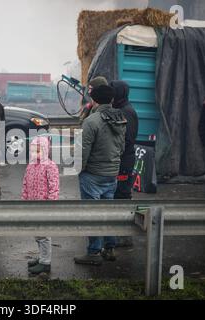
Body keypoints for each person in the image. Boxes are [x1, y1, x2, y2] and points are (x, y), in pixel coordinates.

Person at [74, 84, 126, 265]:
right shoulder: (121, 117)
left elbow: (84, 151)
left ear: (94, 100)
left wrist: (78, 169)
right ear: (111, 99)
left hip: (93, 174)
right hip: (112, 173)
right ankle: (110, 248)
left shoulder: (91, 121)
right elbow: (122, 148)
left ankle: (93, 252)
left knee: (92, 214)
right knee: (107, 211)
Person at [22, 136, 60, 275]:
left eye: (37, 151)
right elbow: (25, 185)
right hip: (32, 207)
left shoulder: (50, 166)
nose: (34, 154)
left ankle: (45, 263)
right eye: (32, 151)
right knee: (37, 234)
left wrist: (50, 206)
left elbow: (54, 188)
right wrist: (24, 201)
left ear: (45, 150)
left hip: (44, 207)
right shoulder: (30, 165)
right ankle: (42, 257)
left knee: (44, 235)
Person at [110, 80, 139, 248]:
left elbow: (126, 139)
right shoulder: (121, 109)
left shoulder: (126, 112)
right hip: (122, 159)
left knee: (122, 194)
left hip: (124, 161)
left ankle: (125, 235)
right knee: (118, 194)